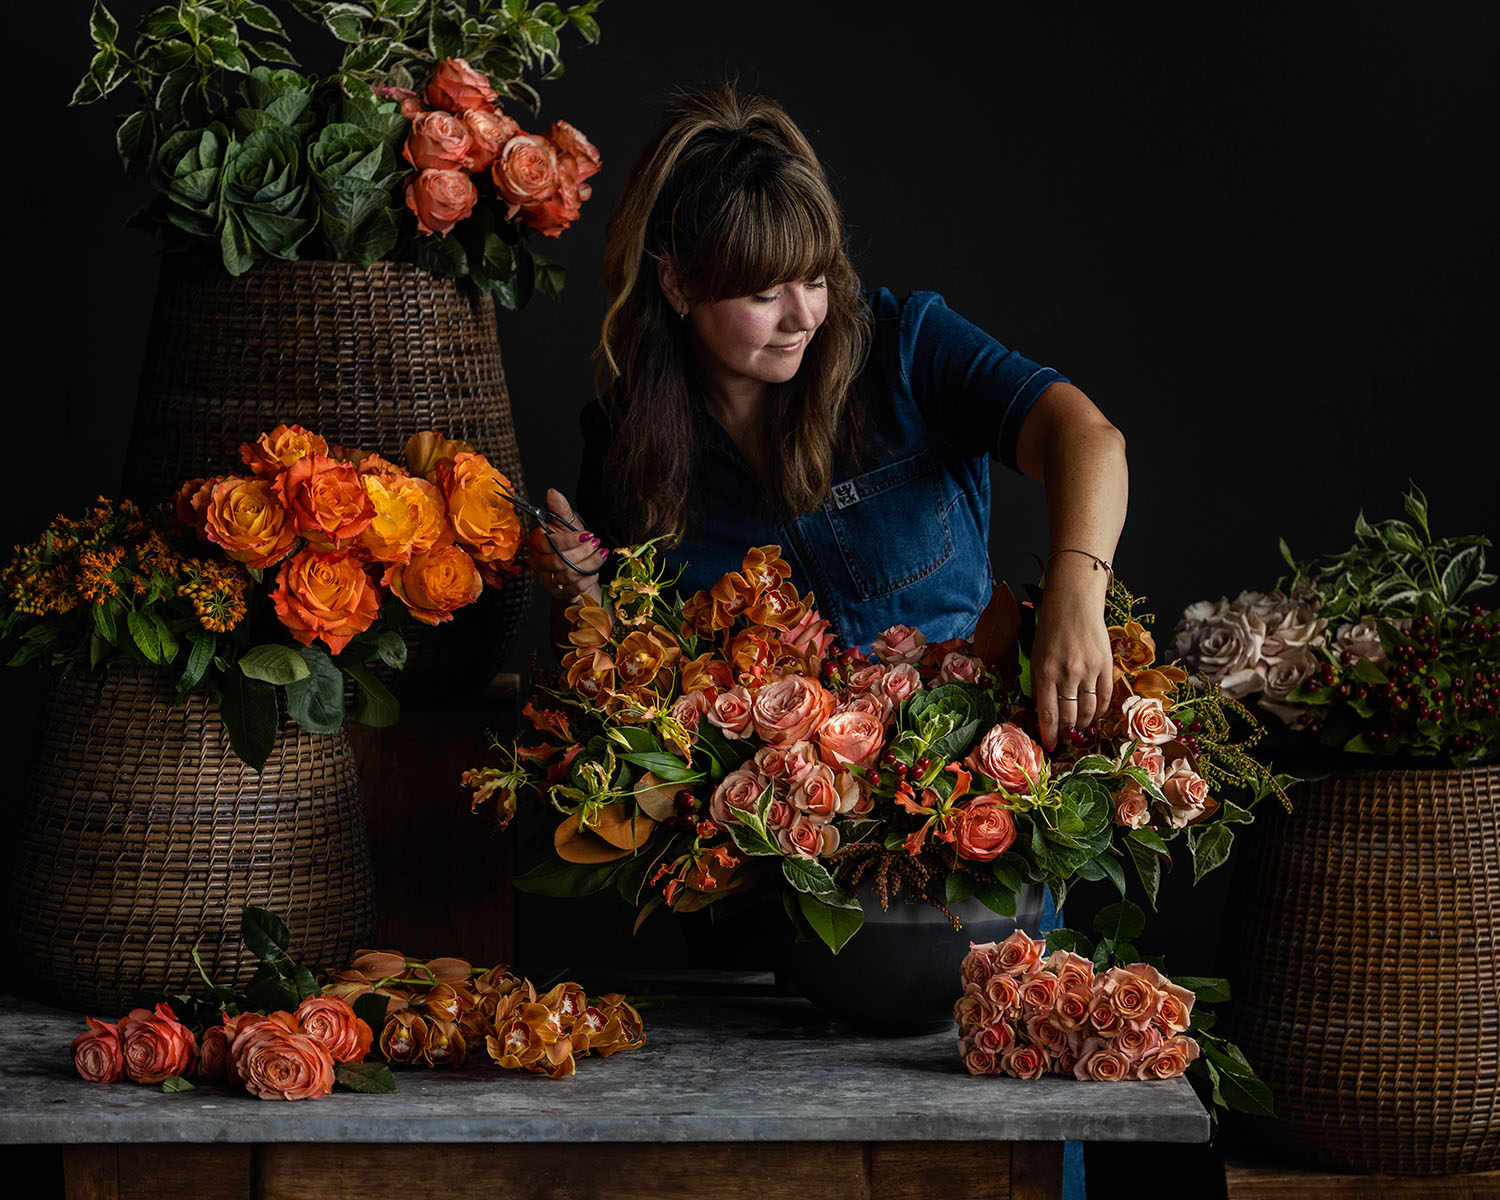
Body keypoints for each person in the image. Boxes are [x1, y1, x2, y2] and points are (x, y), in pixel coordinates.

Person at [529, 86, 1127, 753]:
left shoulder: (904, 346)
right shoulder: (625, 441)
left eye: (813, 279)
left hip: (968, 782)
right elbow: (612, 687)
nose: (804, 316)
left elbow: (1087, 438)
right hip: (773, 831)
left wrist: (1078, 592)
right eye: (764, 293)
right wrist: (578, 593)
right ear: (678, 286)